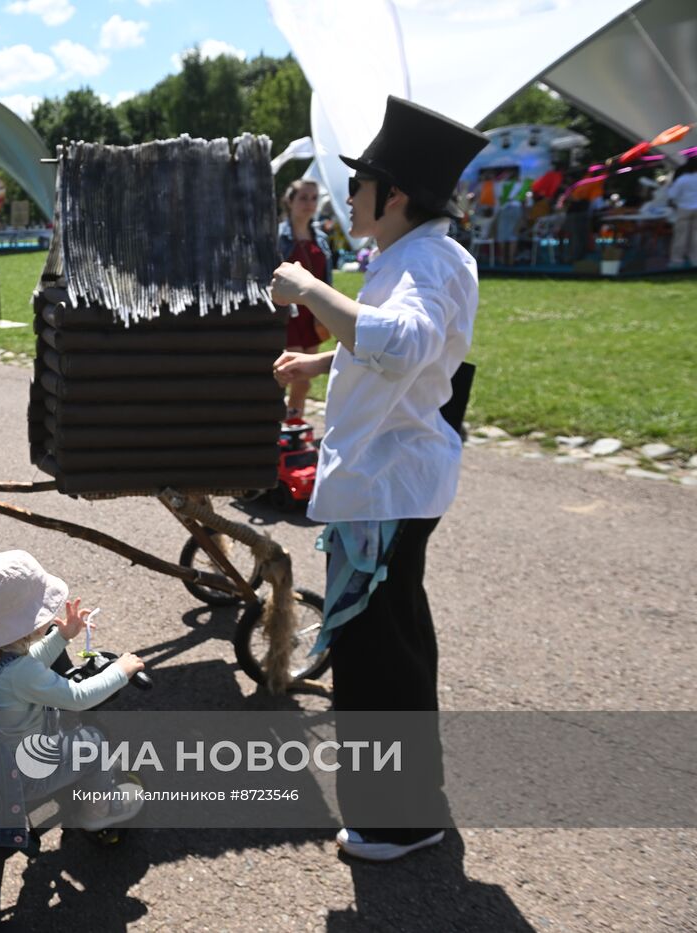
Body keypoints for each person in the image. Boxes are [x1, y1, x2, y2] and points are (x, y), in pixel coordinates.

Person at [268, 96, 487, 862]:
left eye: (359, 184)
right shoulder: (423, 255)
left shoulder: (425, 260)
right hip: (393, 483)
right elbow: (413, 350)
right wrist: (322, 359)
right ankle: (410, 799)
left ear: (394, 194)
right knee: (392, 640)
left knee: (378, 654)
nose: (348, 196)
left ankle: (398, 819)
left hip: (389, 486)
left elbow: (401, 342)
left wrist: (307, 291)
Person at [0, 550, 144, 830]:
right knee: (93, 744)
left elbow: (23, 668)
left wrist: (61, 636)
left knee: (64, 729)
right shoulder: (22, 674)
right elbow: (78, 697)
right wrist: (121, 670)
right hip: (26, 777)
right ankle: (99, 812)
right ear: (28, 623)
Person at [276, 179, 333, 421]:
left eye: (314, 198)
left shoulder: (320, 237)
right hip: (287, 313)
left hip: (313, 313)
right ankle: (275, 423)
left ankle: (294, 422)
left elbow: (325, 279)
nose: (310, 203)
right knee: (291, 369)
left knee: (305, 379)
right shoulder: (278, 236)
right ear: (289, 201)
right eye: (303, 198)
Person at [666, 159, 697, 268]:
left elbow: (672, 195)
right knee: (695, 236)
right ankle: (695, 260)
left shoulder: (683, 179)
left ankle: (677, 260)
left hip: (684, 209)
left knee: (681, 236)